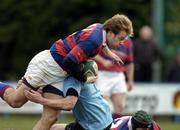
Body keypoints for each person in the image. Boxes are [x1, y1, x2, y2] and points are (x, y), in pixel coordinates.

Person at [0, 14, 133, 130]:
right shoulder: (93, 41)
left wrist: (110, 54)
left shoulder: (100, 28)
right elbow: (69, 61)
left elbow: (102, 44)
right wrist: (84, 77)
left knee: (51, 117)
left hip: (61, 72)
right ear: (110, 33)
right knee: (14, 102)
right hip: (48, 66)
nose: (121, 43)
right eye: (120, 38)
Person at [25, 61, 113, 130]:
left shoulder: (73, 80)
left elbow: (68, 104)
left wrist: (40, 100)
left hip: (94, 126)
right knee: (53, 128)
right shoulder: (82, 72)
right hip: (103, 119)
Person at [94, 38, 134, 118]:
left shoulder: (128, 41)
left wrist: (130, 80)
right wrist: (103, 61)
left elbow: (130, 62)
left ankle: (116, 126)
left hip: (119, 74)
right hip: (103, 74)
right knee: (103, 104)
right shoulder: (106, 36)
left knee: (120, 106)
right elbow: (92, 53)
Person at [50, 110, 162, 130]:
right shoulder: (118, 129)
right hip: (96, 127)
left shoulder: (151, 125)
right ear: (135, 126)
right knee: (57, 128)